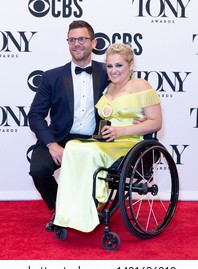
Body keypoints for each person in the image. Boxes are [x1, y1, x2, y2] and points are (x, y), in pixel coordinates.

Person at [53, 43, 162, 233]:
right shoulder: (108, 88)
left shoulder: (140, 85)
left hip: (130, 143)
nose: (113, 70)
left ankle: (88, 209)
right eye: (109, 66)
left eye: (119, 65)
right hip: (107, 141)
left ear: (130, 65)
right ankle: (68, 213)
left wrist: (124, 130)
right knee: (72, 146)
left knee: (89, 151)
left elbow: (156, 122)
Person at [28, 20, 109, 231]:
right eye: (72, 39)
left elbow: (125, 99)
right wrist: (52, 145)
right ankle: (61, 209)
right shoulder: (51, 76)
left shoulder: (108, 73)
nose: (77, 44)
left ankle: (87, 209)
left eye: (82, 38)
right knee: (38, 170)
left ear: (94, 43)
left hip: (94, 140)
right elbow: (35, 115)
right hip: (60, 137)